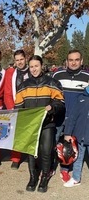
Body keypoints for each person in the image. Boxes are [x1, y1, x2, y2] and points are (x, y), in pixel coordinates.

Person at [15, 55, 65, 193]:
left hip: (47, 124)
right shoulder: (23, 86)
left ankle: (44, 178)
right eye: (31, 67)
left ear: (42, 66)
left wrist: (52, 108)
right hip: (31, 125)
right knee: (31, 151)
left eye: (36, 66)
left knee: (46, 151)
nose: (34, 69)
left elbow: (61, 103)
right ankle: (32, 177)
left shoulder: (52, 83)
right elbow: (18, 106)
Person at [53, 49, 89, 182]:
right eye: (71, 60)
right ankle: (51, 166)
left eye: (76, 60)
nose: (73, 62)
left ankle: (65, 169)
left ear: (81, 61)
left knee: (70, 146)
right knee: (54, 142)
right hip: (60, 116)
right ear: (67, 61)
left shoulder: (87, 77)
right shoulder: (57, 74)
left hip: (76, 119)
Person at [4, 49, 30, 170]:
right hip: (16, 107)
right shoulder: (11, 73)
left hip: (30, 107)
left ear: (26, 58)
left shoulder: (33, 71)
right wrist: (12, 109)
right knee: (16, 134)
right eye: (17, 60)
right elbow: (8, 93)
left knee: (32, 133)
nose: (19, 62)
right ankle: (15, 158)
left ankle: (32, 157)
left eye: (21, 59)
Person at [62, 85, 89, 188]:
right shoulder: (81, 98)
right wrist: (68, 133)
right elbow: (72, 116)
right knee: (77, 158)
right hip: (80, 135)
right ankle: (76, 178)